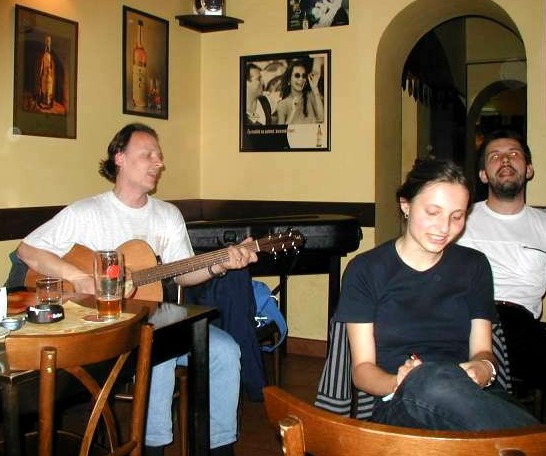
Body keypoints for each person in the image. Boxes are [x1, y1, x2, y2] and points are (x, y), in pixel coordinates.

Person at [16, 123, 258, 456]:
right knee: (156, 349)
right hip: (101, 330)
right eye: (148, 154)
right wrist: (81, 278)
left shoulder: (167, 215)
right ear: (120, 158)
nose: (159, 162)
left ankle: (219, 447)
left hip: (150, 322)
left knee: (225, 351)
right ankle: (151, 446)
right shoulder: (86, 212)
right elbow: (27, 250)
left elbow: (183, 273)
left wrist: (220, 264)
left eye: (159, 156)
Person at [335, 158, 538, 431]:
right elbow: (362, 370)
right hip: (401, 400)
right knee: (429, 378)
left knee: (446, 383)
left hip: (473, 395)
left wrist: (484, 368)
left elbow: (483, 350)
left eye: (457, 216)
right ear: (405, 205)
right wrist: (399, 381)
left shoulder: (474, 266)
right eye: (433, 212)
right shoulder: (366, 270)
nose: (444, 228)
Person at [458, 129, 546, 392]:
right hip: (463, 320)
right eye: (494, 156)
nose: (505, 160)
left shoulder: (543, 225)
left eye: (514, 154)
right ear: (483, 174)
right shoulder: (459, 219)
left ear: (528, 169)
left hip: (520, 327)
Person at [275, 58, 324, 125]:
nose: (301, 79)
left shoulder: (311, 96)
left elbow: (322, 119)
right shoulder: (282, 104)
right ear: (289, 80)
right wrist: (293, 111)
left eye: (303, 76)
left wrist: (315, 89)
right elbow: (281, 130)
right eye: (297, 75)